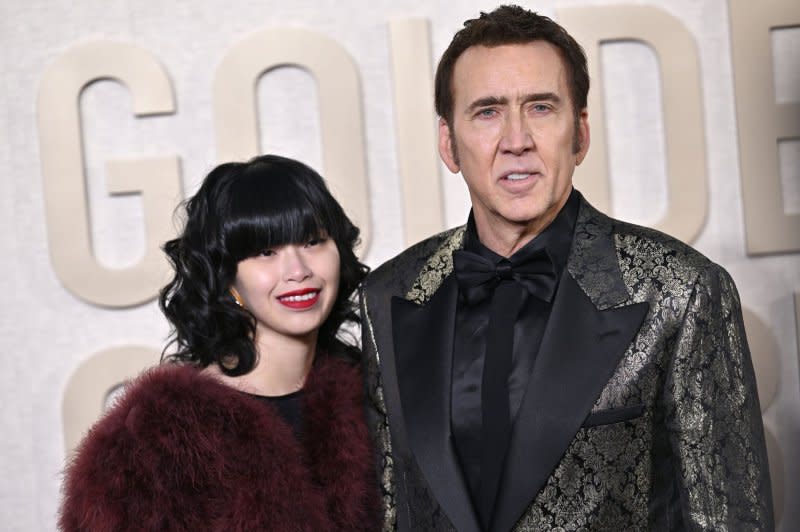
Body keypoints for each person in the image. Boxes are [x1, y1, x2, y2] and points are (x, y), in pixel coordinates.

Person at [360, 5, 773, 531]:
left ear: (579, 134)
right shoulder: (388, 296)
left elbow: (729, 520)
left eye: (540, 107)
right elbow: (391, 512)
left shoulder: (682, 289)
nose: (516, 139)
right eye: (487, 111)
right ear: (448, 143)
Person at [59, 155, 379, 531]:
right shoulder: (155, 440)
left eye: (313, 242)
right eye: (266, 251)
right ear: (226, 275)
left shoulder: (376, 400)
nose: (298, 271)